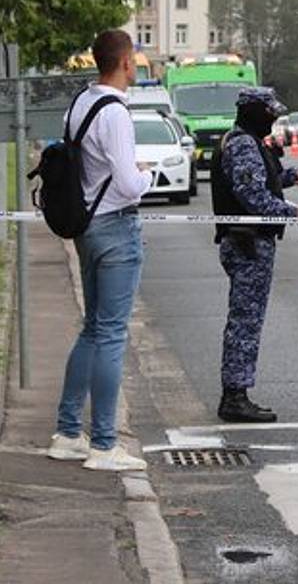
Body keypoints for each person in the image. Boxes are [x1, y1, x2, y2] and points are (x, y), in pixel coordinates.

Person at [49, 29, 153, 472]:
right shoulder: (116, 113)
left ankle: (68, 432)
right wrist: (146, 175)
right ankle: (105, 444)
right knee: (111, 333)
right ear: (126, 63)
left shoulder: (81, 103)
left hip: (87, 226)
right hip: (116, 227)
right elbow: (129, 184)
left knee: (93, 330)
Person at [212, 87, 298, 423]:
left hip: (250, 241)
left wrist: (290, 176)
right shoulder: (242, 144)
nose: (274, 120)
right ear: (256, 112)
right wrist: (291, 212)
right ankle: (235, 396)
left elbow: (261, 180)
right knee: (245, 322)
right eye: (270, 113)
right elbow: (253, 197)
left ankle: (237, 392)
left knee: (247, 320)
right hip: (247, 242)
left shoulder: (249, 143)